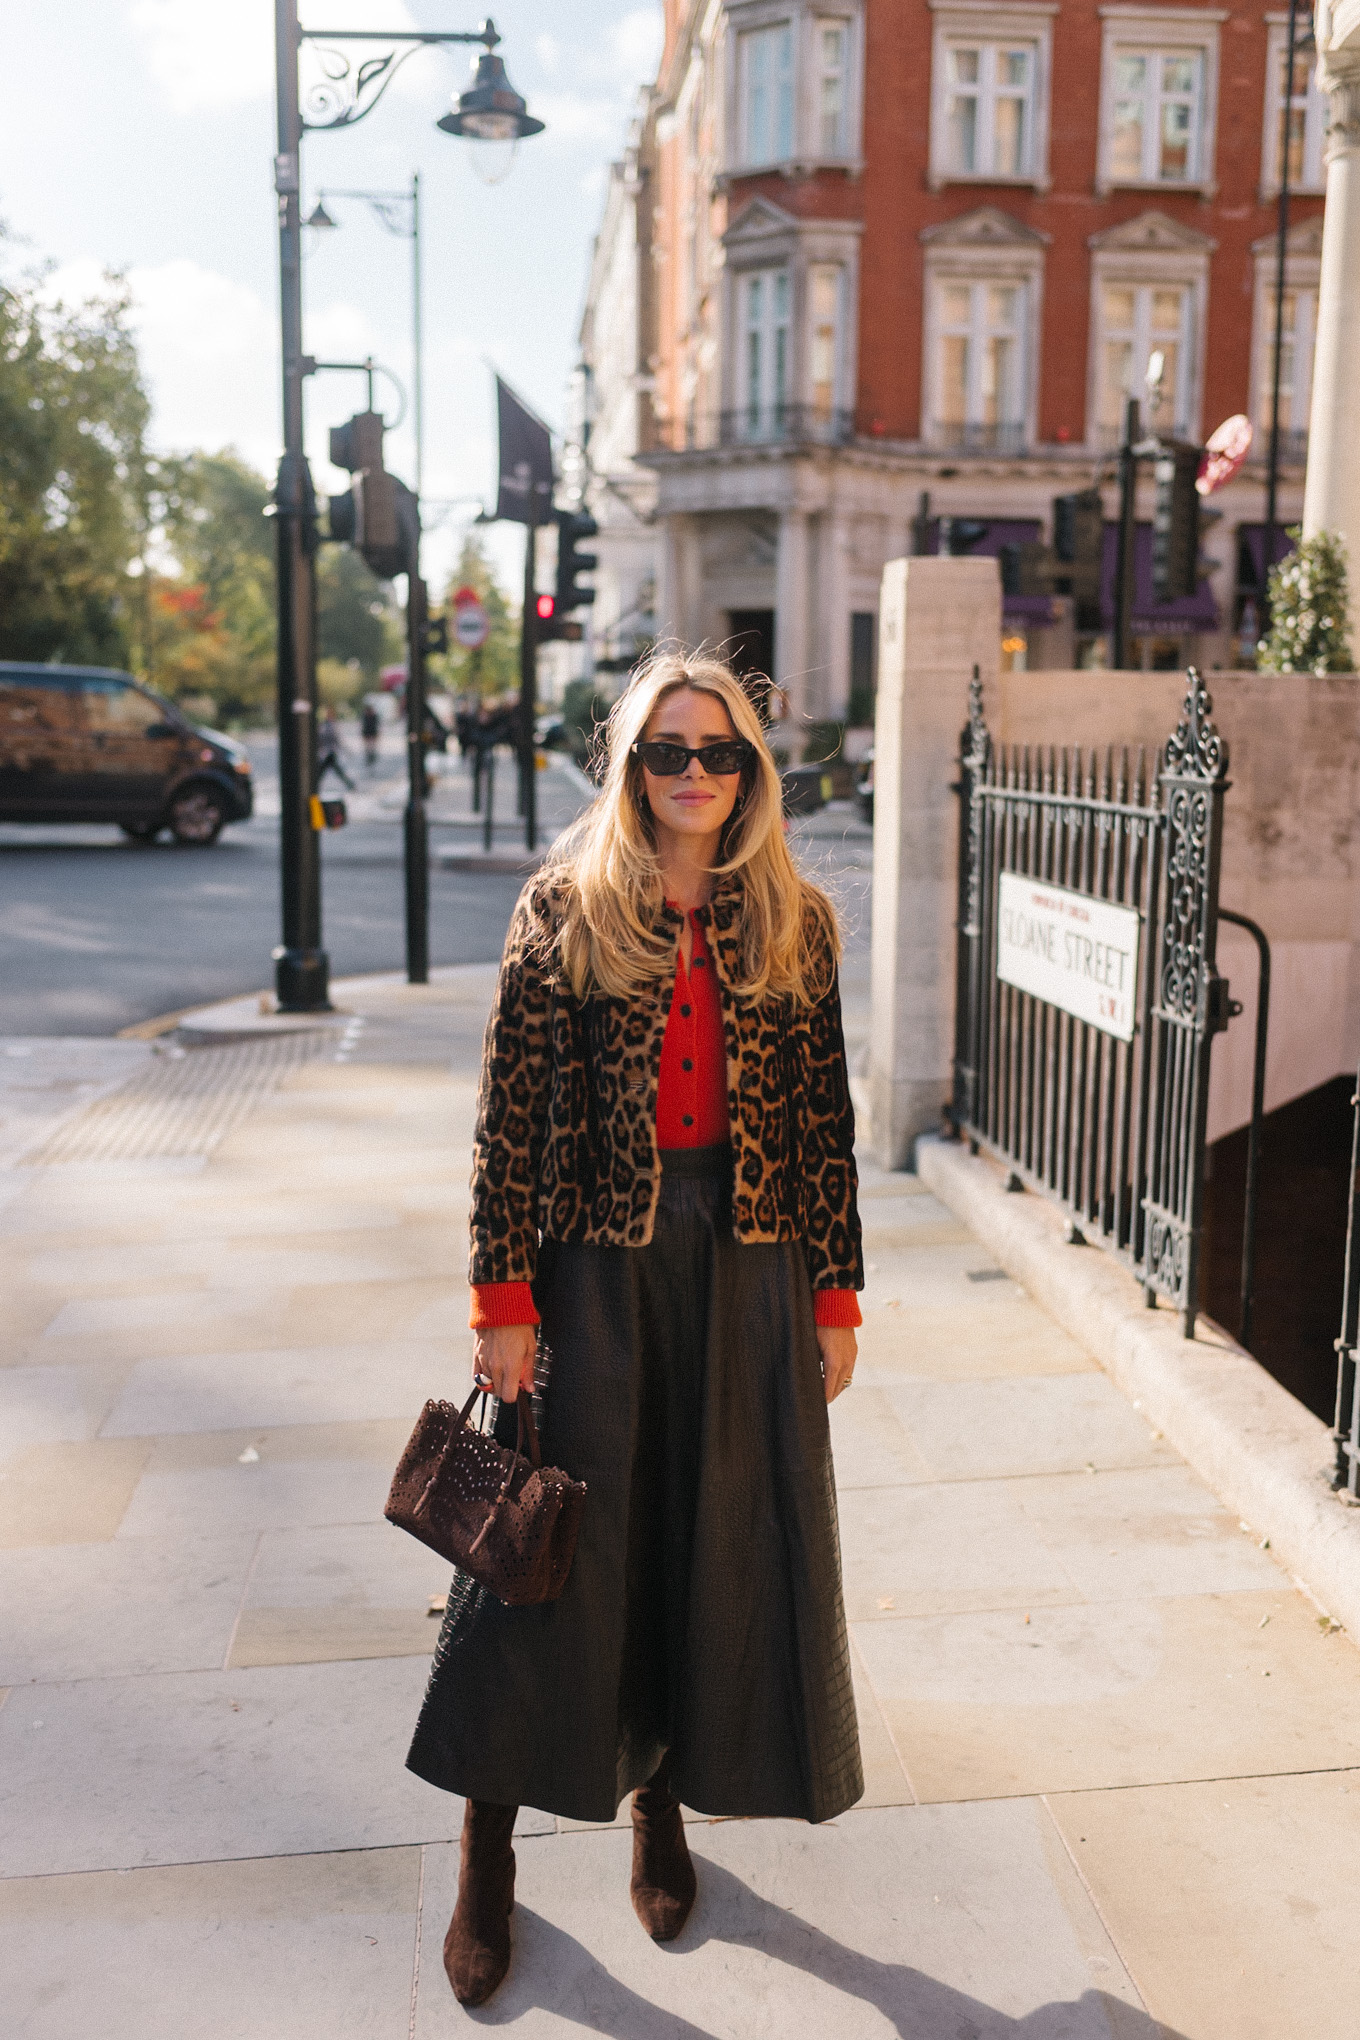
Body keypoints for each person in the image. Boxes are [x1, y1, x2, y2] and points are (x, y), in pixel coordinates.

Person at [407, 649, 864, 2007]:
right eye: (667, 751)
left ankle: (659, 1808)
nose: (694, 775)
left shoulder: (796, 918)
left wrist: (836, 1297)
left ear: (751, 771)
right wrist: (504, 1301)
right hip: (595, 1267)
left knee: (700, 1543)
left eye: (718, 753)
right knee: (542, 1555)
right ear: (631, 766)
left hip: (750, 1261)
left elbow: (825, 1126)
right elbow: (507, 1126)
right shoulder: (567, 906)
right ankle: (489, 1843)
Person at [316, 711, 355, 791]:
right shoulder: (327, 726)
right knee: (335, 772)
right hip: (328, 753)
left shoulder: (326, 726)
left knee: (322, 773)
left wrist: (346, 750)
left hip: (329, 753)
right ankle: (350, 785)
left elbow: (336, 740)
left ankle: (314, 787)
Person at [360, 700, 381, 770]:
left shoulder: (374, 716)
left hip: (372, 732)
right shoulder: (365, 716)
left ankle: (372, 757)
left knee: (372, 747)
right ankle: (369, 758)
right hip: (367, 733)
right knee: (368, 747)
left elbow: (377, 725)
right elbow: (363, 725)